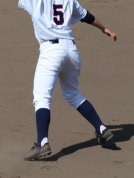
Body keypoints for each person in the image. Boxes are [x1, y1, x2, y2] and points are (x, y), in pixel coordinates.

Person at [19, 0, 117, 161]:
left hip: (50, 52)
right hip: (71, 52)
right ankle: (101, 128)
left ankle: (42, 142)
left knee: (42, 98)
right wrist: (104, 28)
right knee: (73, 95)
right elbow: (87, 16)